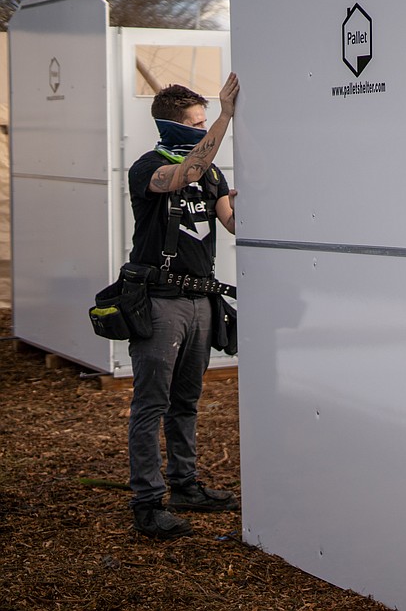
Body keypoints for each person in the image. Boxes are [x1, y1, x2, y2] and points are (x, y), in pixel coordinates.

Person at [125, 73, 241, 539]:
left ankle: (185, 484)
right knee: (150, 403)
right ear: (173, 126)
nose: (205, 125)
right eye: (197, 121)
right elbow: (185, 173)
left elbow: (232, 225)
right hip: (160, 303)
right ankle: (147, 502)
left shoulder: (213, 174)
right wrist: (228, 116)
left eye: (207, 119)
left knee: (186, 401)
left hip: (201, 299)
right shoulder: (147, 168)